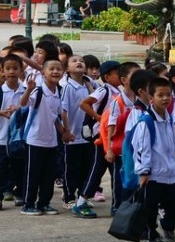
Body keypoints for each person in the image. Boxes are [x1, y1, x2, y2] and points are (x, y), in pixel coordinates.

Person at [132, 77, 175, 242]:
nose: (165, 98)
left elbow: (173, 141)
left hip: (170, 172)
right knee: (150, 208)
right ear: (151, 98)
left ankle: (168, 227)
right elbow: (141, 147)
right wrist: (144, 171)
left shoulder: (169, 118)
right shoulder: (146, 121)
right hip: (153, 174)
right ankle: (149, 235)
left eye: (168, 94)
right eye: (160, 95)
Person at [19, 59, 75, 216]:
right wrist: (28, 90)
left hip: (51, 141)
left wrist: (64, 131)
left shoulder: (58, 92)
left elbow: (56, 116)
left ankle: (44, 203)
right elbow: (23, 104)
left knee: (48, 174)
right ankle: (28, 204)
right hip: (35, 139)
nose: (55, 71)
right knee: (33, 173)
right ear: (43, 73)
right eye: (51, 69)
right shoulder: (38, 91)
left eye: (58, 69)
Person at [0, 54, 27, 210]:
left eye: (15, 68)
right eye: (7, 68)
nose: (11, 72)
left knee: (19, 167)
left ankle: (19, 193)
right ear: (3, 71)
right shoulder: (0, 92)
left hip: (19, 139)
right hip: (0, 138)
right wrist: (1, 113)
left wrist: (19, 109)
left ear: (21, 70)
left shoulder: (26, 91)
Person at [77, 60, 121, 212]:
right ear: (107, 77)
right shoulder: (104, 91)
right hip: (101, 135)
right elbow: (84, 103)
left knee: (115, 171)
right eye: (118, 74)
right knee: (97, 169)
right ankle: (81, 201)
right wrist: (99, 118)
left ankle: (117, 204)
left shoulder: (118, 93)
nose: (121, 77)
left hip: (112, 136)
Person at [61, 55, 97, 217]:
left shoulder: (89, 84)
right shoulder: (67, 87)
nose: (79, 62)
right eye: (74, 61)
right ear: (67, 69)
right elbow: (64, 111)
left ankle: (83, 196)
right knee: (71, 169)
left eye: (81, 61)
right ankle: (68, 197)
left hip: (88, 135)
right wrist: (66, 131)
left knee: (86, 168)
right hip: (73, 135)